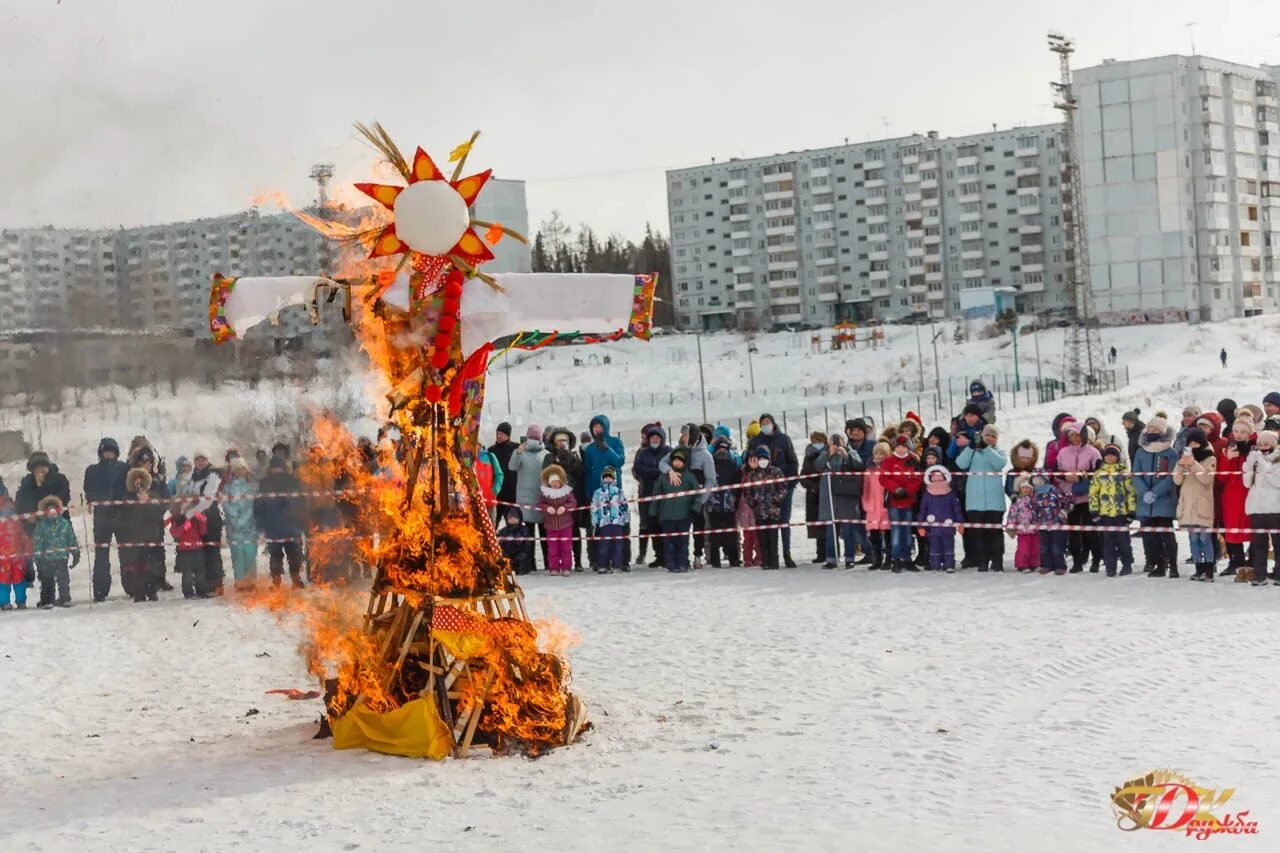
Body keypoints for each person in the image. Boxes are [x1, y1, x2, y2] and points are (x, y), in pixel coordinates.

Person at [659, 424, 718, 569]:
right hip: (680, 499)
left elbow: (711, 479)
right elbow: (662, 463)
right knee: (679, 530)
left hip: (697, 499)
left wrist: (702, 499)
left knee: (698, 527)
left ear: (692, 436)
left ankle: (698, 555)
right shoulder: (679, 451)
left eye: (685, 435)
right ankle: (680, 559)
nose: (683, 438)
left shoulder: (705, 456)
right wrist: (670, 472)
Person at [747, 413, 800, 568]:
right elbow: (749, 461)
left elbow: (793, 461)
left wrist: (791, 482)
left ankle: (787, 554)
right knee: (765, 526)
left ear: (773, 423)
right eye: (763, 422)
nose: (766, 424)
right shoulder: (755, 441)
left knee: (784, 522)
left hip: (783, 488)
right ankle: (767, 558)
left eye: (768, 422)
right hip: (762, 490)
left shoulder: (784, 439)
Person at [955, 423, 1008, 572]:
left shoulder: (999, 452)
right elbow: (960, 463)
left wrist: (987, 449)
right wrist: (970, 448)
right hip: (975, 502)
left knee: (995, 533)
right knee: (979, 534)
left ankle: (997, 561)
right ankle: (982, 561)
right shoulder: (972, 453)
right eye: (987, 435)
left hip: (994, 502)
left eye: (993, 436)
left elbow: (999, 464)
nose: (989, 438)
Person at [83, 437, 129, 602]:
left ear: (116, 453)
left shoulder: (124, 467)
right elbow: (88, 488)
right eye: (105, 451)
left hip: (122, 514)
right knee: (101, 554)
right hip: (102, 516)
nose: (108, 454)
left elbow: (129, 486)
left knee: (126, 551)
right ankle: (100, 590)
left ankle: (131, 585)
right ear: (100, 453)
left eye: (111, 451)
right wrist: (94, 499)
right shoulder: (92, 470)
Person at [1134, 416, 1180, 578]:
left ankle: (1173, 565)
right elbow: (1136, 474)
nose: (1152, 432)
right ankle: (1159, 565)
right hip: (1146, 502)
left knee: (1167, 535)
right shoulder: (1141, 451)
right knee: (1152, 537)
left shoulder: (1170, 453)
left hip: (1163, 501)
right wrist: (1144, 491)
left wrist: (1156, 492)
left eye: (1156, 430)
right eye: (1150, 429)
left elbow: (1171, 477)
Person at [1055, 421, 1102, 573]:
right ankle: (1077, 562)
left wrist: (1082, 477)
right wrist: (1065, 477)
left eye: (1077, 434)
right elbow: (1056, 471)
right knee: (1073, 531)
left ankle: (1096, 560)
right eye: (1071, 435)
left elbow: (1099, 471)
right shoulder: (1062, 452)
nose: (1074, 438)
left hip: (1088, 497)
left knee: (1091, 530)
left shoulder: (1093, 452)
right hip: (1069, 496)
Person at [254, 456, 306, 588]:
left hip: (287, 523)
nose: (277, 470)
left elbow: (299, 501)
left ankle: (293, 579)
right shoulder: (266, 482)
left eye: (278, 467)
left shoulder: (291, 481)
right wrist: (260, 521)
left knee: (291, 553)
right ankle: (279, 580)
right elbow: (259, 503)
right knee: (278, 554)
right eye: (275, 467)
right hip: (276, 523)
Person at [1174, 428, 1218, 582]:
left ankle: (1209, 570)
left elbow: (1206, 479)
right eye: (1190, 443)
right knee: (1193, 540)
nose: (1193, 446)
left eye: (1196, 443)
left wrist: (1193, 464)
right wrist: (1180, 464)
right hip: (1188, 506)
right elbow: (1177, 481)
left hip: (1202, 505)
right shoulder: (1185, 458)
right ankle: (1198, 569)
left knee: (1205, 539)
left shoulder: (1210, 458)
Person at [582, 415, 625, 565]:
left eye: (599, 426)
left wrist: (607, 449)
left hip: (613, 493)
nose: (597, 429)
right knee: (597, 528)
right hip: (596, 493)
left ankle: (621, 561)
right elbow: (587, 470)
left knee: (616, 527)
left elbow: (619, 461)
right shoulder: (590, 448)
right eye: (594, 427)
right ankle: (597, 561)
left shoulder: (616, 442)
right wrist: (588, 492)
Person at [650, 448, 703, 573]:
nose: (677, 463)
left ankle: (683, 563)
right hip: (666, 516)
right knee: (669, 543)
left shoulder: (690, 477)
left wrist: (696, 509)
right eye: (675, 460)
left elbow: (697, 495)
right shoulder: (663, 477)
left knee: (683, 543)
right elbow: (656, 494)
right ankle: (671, 564)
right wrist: (652, 513)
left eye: (680, 461)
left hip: (684, 516)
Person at [1088, 443, 1137, 577]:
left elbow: (1131, 493)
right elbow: (1093, 493)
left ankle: (1127, 565)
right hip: (1106, 514)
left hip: (1121, 513)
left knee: (1124, 542)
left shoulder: (1124, 473)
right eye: (1107, 454)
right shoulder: (1099, 474)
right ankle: (1110, 567)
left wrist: (1131, 512)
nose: (1109, 457)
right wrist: (1094, 512)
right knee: (1108, 543)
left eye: (1113, 455)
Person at [816, 433, 864, 569]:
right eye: (833, 441)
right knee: (830, 530)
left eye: (839, 440)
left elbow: (860, 466)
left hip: (846, 495)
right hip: (829, 496)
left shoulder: (851, 451)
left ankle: (850, 558)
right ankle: (831, 559)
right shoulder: (825, 453)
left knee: (848, 530)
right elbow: (817, 466)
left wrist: (847, 456)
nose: (836, 443)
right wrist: (828, 454)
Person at [543, 427, 586, 571]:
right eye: (559, 441)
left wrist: (571, 460)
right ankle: (554, 564)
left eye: (565, 441)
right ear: (554, 443)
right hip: (553, 499)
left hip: (571, 498)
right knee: (554, 532)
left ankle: (577, 561)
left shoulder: (574, 455)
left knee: (574, 530)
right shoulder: (549, 457)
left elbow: (580, 472)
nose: (562, 443)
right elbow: (545, 475)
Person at [118, 467, 162, 602]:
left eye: (141, 480)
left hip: (150, 536)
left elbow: (159, 512)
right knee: (136, 566)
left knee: (151, 565)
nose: (138, 483)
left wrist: (147, 502)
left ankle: (152, 591)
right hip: (134, 537)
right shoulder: (127, 498)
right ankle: (139, 592)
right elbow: (124, 517)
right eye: (135, 481)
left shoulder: (153, 496)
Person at [1218, 417, 1255, 577]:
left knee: (1254, 529)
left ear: (1250, 433)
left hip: (1250, 494)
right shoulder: (1228, 449)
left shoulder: (1255, 449)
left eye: (1243, 432)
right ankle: (1235, 561)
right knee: (1232, 529)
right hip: (1231, 496)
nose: (1239, 435)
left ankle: (1253, 562)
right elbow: (1220, 477)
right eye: (1236, 431)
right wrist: (1227, 459)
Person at [1243, 430, 1280, 587]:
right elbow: (1246, 483)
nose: (1263, 447)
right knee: (1259, 544)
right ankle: (1260, 574)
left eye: (1266, 444)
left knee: (1278, 543)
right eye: (1260, 444)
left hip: (1275, 508)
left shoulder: (1277, 459)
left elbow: (1277, 481)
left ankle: (1278, 574)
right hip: (1257, 508)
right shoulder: (1256, 460)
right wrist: (1250, 466)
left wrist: (1264, 465)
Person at [184, 452, 225, 594]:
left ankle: (216, 584)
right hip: (195, 519)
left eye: (203, 459)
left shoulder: (212, 476)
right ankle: (203, 584)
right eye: (198, 459)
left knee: (212, 550)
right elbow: (188, 495)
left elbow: (208, 499)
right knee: (199, 552)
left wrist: (190, 512)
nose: (200, 462)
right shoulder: (193, 477)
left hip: (210, 516)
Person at [880, 435, 922, 572]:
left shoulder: (913, 460)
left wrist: (907, 490)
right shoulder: (889, 461)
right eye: (898, 446)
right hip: (894, 499)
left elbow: (917, 478)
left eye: (904, 447)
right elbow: (883, 478)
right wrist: (895, 489)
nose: (901, 449)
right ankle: (895, 558)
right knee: (896, 530)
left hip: (908, 499)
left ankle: (907, 558)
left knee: (907, 530)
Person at [510, 426, 548, 570]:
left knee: (542, 536)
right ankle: (530, 564)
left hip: (542, 500)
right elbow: (512, 467)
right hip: (526, 501)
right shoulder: (521, 453)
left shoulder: (546, 454)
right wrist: (517, 453)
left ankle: (547, 563)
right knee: (528, 536)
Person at [742, 446, 786, 570]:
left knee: (773, 538)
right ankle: (765, 562)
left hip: (773, 511)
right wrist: (753, 503)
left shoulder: (776, 471)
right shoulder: (753, 474)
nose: (763, 461)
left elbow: (783, 488)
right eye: (760, 458)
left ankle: (774, 562)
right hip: (759, 512)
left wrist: (777, 501)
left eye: (765, 458)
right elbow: (747, 491)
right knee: (762, 539)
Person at [633, 424, 670, 568]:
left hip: (664, 495)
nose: (655, 440)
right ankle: (659, 556)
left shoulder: (668, 451)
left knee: (664, 525)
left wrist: (655, 472)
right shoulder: (643, 452)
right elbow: (638, 469)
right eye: (652, 437)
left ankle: (668, 556)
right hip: (647, 493)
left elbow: (671, 468)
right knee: (653, 525)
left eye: (657, 437)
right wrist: (657, 471)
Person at [32, 495, 78, 608]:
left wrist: (76, 553)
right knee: (52, 579)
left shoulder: (60, 524)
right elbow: (37, 541)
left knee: (58, 578)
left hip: (55, 557)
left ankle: (58, 599)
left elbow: (71, 538)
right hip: (52, 558)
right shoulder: (46, 525)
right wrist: (37, 557)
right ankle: (55, 599)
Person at [917, 466, 963, 573]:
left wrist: (960, 523)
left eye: (940, 479)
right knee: (934, 547)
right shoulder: (927, 494)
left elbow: (957, 509)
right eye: (935, 480)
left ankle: (949, 564)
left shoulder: (950, 493)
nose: (938, 482)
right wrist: (920, 526)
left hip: (948, 526)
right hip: (932, 527)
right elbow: (922, 510)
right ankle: (935, 565)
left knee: (949, 546)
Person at [15, 452, 71, 539]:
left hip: (59, 525)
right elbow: (21, 502)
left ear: (48, 466)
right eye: (36, 468)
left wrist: (50, 504)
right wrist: (29, 516)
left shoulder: (59, 479)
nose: (39, 470)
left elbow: (65, 496)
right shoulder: (27, 483)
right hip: (38, 529)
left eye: (42, 467)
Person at [222, 456, 258, 590]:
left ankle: (251, 582)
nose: (239, 471)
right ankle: (240, 581)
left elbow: (253, 505)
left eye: (241, 468)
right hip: (234, 528)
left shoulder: (252, 486)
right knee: (237, 556)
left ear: (245, 469)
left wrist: (245, 519)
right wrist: (234, 518)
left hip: (250, 527)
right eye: (236, 469)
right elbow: (226, 504)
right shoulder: (228, 487)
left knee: (250, 554)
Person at [706, 436, 742, 568]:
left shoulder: (733, 465)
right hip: (714, 505)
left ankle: (734, 559)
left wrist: (734, 497)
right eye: (719, 448)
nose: (722, 451)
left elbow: (738, 484)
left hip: (728, 505)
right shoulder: (710, 465)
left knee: (731, 535)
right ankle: (715, 561)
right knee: (714, 535)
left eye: (724, 448)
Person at [537, 463, 577, 576]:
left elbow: (573, 503)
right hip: (550, 526)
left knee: (566, 548)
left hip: (565, 525)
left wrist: (565, 508)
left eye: (557, 481)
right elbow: (540, 504)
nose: (555, 484)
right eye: (553, 482)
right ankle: (553, 567)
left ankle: (566, 567)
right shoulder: (545, 493)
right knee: (553, 549)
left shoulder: (566, 492)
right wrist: (547, 508)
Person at [590, 466, 629, 574]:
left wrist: (626, 521)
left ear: (614, 479)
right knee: (603, 546)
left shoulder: (619, 491)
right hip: (604, 523)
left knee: (618, 546)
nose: (608, 479)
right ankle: (602, 565)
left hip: (618, 523)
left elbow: (625, 507)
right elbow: (594, 509)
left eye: (610, 477)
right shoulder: (598, 492)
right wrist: (595, 522)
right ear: (602, 479)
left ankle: (617, 565)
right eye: (605, 477)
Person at [1031, 472, 1072, 575]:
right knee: (1044, 546)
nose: (1038, 483)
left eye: (1040, 480)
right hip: (1042, 524)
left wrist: (1064, 512)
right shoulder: (1035, 495)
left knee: (1056, 546)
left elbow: (1067, 499)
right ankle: (1046, 565)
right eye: (1035, 481)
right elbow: (1034, 509)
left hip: (1056, 523)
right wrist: (1035, 521)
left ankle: (1060, 566)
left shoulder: (1054, 490)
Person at [169, 498, 209, 599]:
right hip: (184, 550)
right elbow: (174, 533)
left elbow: (203, 532)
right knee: (187, 573)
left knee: (200, 571)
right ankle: (188, 592)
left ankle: (202, 591)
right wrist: (184, 528)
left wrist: (202, 520)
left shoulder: (195, 518)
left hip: (197, 548)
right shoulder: (177, 519)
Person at [860, 441, 890, 569]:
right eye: (876, 453)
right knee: (874, 534)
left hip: (885, 505)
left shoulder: (889, 469)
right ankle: (877, 559)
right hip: (872, 506)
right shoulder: (869, 470)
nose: (878, 456)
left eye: (881, 454)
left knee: (888, 533)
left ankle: (889, 559)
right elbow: (865, 488)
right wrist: (866, 503)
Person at [800, 431, 829, 565]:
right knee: (817, 524)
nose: (817, 443)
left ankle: (832, 551)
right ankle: (820, 553)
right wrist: (812, 486)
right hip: (813, 494)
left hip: (827, 492)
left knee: (828, 523)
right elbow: (803, 475)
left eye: (819, 440)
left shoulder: (829, 453)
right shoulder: (808, 456)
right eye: (814, 440)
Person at [0, 496, 30, 609]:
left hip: (18, 557)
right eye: (5, 505)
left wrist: (27, 551)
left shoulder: (17, 521)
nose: (8, 508)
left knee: (19, 580)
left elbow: (23, 537)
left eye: (10, 505)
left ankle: (21, 601)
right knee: (3, 581)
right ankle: (4, 603)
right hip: (3, 559)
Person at [1005, 475, 1039, 574]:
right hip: (1022, 530)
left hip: (1035, 530)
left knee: (1035, 548)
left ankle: (1034, 564)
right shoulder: (1017, 502)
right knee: (1024, 548)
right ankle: (1022, 564)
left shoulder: (1036, 501)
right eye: (1023, 488)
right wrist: (1010, 525)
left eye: (1028, 488)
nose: (1025, 490)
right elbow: (1012, 514)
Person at [489, 423, 520, 522]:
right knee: (493, 523)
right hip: (496, 493)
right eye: (497, 433)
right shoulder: (491, 450)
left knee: (513, 525)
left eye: (501, 434)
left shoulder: (516, 448)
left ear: (508, 435)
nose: (498, 436)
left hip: (512, 494)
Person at [498, 507, 534, 575]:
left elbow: (528, 545)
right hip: (507, 553)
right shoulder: (504, 531)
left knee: (521, 558)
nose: (512, 519)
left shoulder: (524, 530)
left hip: (520, 552)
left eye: (515, 517)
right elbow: (500, 544)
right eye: (510, 517)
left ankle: (521, 569)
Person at [474, 445, 504, 524]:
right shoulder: (466, 457)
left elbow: (499, 474)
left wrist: (495, 489)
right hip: (473, 502)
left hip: (489, 502)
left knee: (490, 528)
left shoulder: (490, 456)